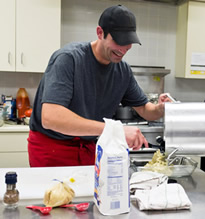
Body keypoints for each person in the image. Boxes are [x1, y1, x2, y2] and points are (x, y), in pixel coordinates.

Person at [28, 5, 170, 167]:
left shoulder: (122, 71)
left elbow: (145, 110)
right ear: (100, 33)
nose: (123, 49)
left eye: (129, 43)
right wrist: (115, 130)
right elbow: (50, 118)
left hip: (89, 148)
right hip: (52, 149)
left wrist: (161, 108)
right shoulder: (68, 59)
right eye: (118, 41)